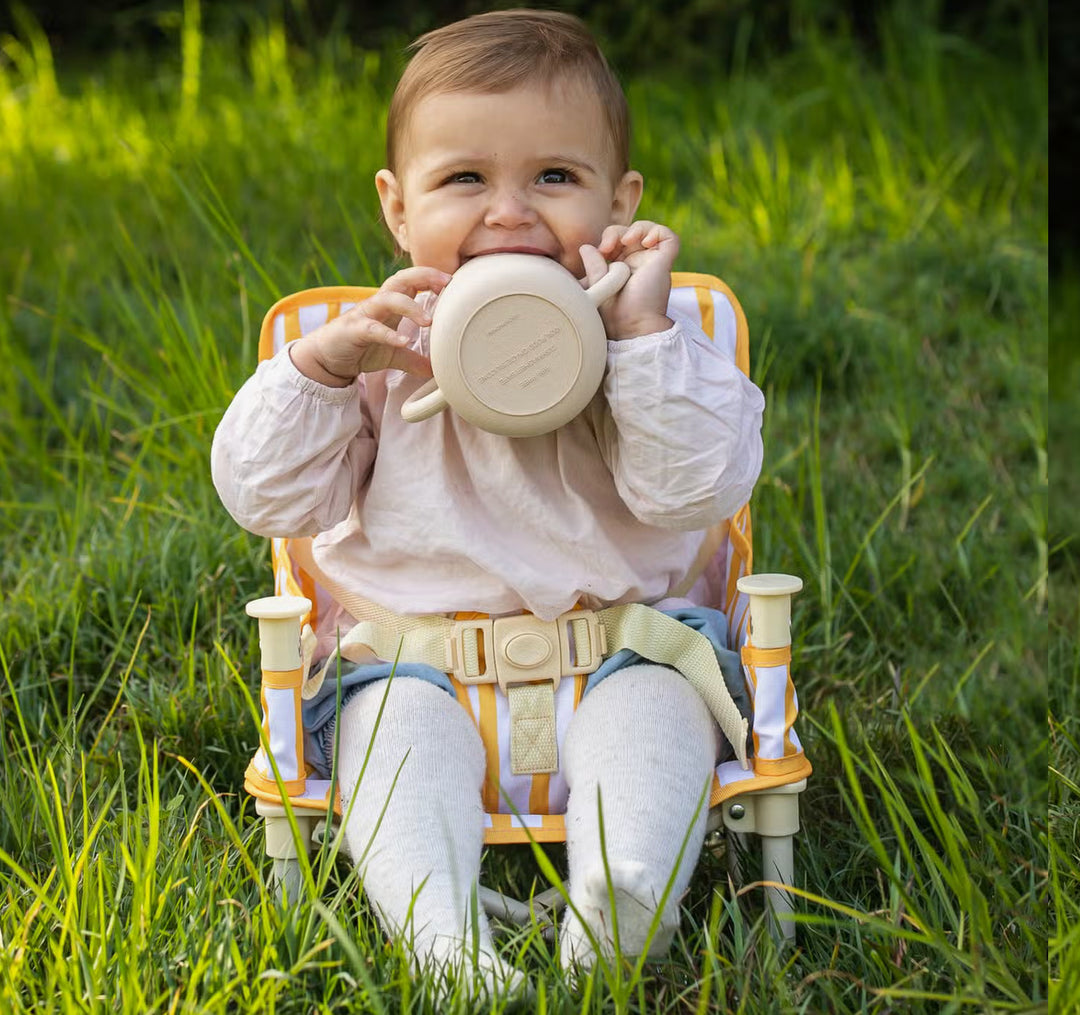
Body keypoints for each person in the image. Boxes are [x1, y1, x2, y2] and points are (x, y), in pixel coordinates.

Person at [212, 8, 764, 997]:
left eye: (554, 178)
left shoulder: (662, 336)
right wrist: (322, 371)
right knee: (390, 742)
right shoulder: (373, 350)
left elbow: (701, 487)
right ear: (397, 208)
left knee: (663, 711)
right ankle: (440, 933)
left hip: (619, 651)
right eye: (464, 179)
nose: (509, 213)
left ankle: (624, 895)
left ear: (618, 200)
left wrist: (635, 343)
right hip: (415, 671)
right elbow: (264, 497)